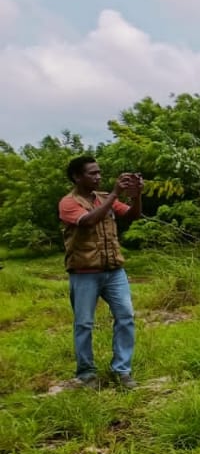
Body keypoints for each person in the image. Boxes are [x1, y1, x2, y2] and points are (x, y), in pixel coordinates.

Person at [59, 156, 144, 389]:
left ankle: (122, 371)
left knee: (126, 317)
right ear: (77, 177)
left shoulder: (104, 198)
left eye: (99, 173)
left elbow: (132, 215)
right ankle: (87, 374)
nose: (98, 177)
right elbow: (88, 221)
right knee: (84, 323)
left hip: (114, 270)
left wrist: (137, 196)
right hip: (84, 271)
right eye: (92, 173)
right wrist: (116, 193)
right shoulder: (68, 202)